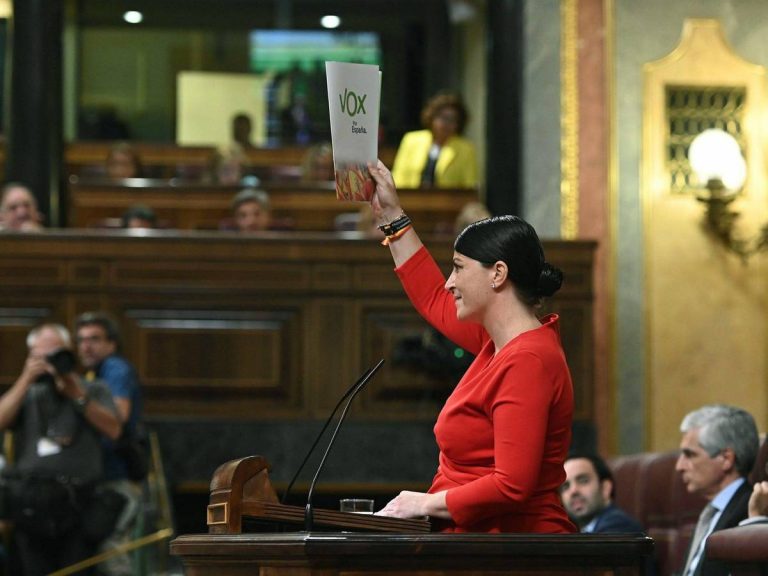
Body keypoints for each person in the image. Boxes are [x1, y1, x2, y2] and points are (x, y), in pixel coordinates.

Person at [368, 160, 575, 533]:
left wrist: (422, 503)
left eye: (459, 268)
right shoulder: (497, 342)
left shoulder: (528, 359)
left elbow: (512, 485)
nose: (450, 282)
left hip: (509, 548)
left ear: (498, 273)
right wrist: (392, 216)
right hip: (476, 541)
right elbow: (432, 296)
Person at [0, 323, 121, 575]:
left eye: (56, 354)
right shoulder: (28, 393)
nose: (50, 363)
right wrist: (25, 378)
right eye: (41, 356)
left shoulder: (94, 388)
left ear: (69, 352)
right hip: (31, 503)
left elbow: (114, 430)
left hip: (80, 502)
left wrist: (77, 395)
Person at [75, 312, 146, 576]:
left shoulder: (116, 368)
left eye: (94, 339)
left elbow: (118, 418)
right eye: (81, 340)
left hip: (118, 480)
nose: (86, 346)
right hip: (104, 478)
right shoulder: (94, 374)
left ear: (112, 343)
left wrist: (78, 399)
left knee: (112, 554)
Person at [675, 404, 759, 576]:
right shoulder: (711, 513)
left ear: (726, 459)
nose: (679, 466)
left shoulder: (749, 512)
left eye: (690, 455)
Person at [391, 92, 478, 189]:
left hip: (447, 198)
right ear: (432, 117)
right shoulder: (411, 140)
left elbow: (470, 186)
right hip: (411, 197)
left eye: (452, 119)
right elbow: (398, 177)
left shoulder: (466, 149)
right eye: (443, 117)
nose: (447, 123)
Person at [560, 452, 645, 533]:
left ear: (605, 488)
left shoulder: (618, 525)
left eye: (583, 481)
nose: (573, 491)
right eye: (565, 486)